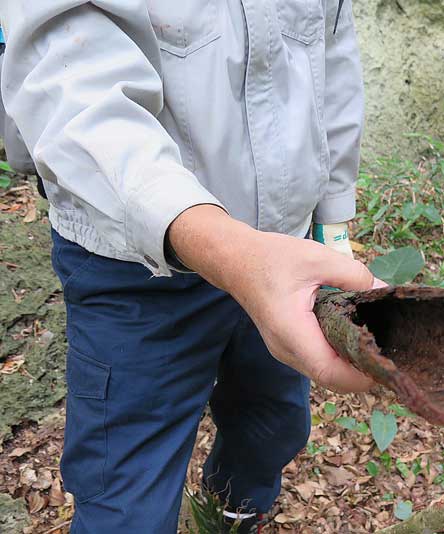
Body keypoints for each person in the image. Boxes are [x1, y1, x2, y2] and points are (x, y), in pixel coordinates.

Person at [0, 1, 382, 532]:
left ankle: (228, 513)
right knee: (123, 502)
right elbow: (69, 82)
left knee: (273, 427)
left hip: (286, 252)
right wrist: (226, 249)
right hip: (132, 269)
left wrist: (334, 231)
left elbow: (331, 54)